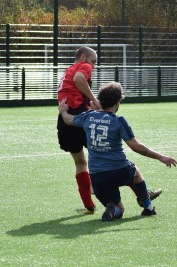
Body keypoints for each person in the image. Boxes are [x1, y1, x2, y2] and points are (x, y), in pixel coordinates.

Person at [58, 82, 177, 221]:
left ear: (100, 100)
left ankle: (112, 209)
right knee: (135, 172)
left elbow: (69, 120)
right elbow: (135, 146)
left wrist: (63, 111)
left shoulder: (88, 117)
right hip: (120, 171)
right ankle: (148, 208)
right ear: (118, 102)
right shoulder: (118, 121)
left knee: (120, 209)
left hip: (97, 177)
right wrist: (160, 157)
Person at [57, 46, 100, 214]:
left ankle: (89, 204)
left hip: (64, 119)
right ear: (83, 57)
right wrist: (94, 100)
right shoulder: (83, 67)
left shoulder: (67, 71)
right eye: (93, 62)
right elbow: (79, 79)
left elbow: (71, 93)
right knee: (107, 154)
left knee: (80, 161)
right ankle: (141, 193)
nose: (93, 67)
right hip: (81, 118)